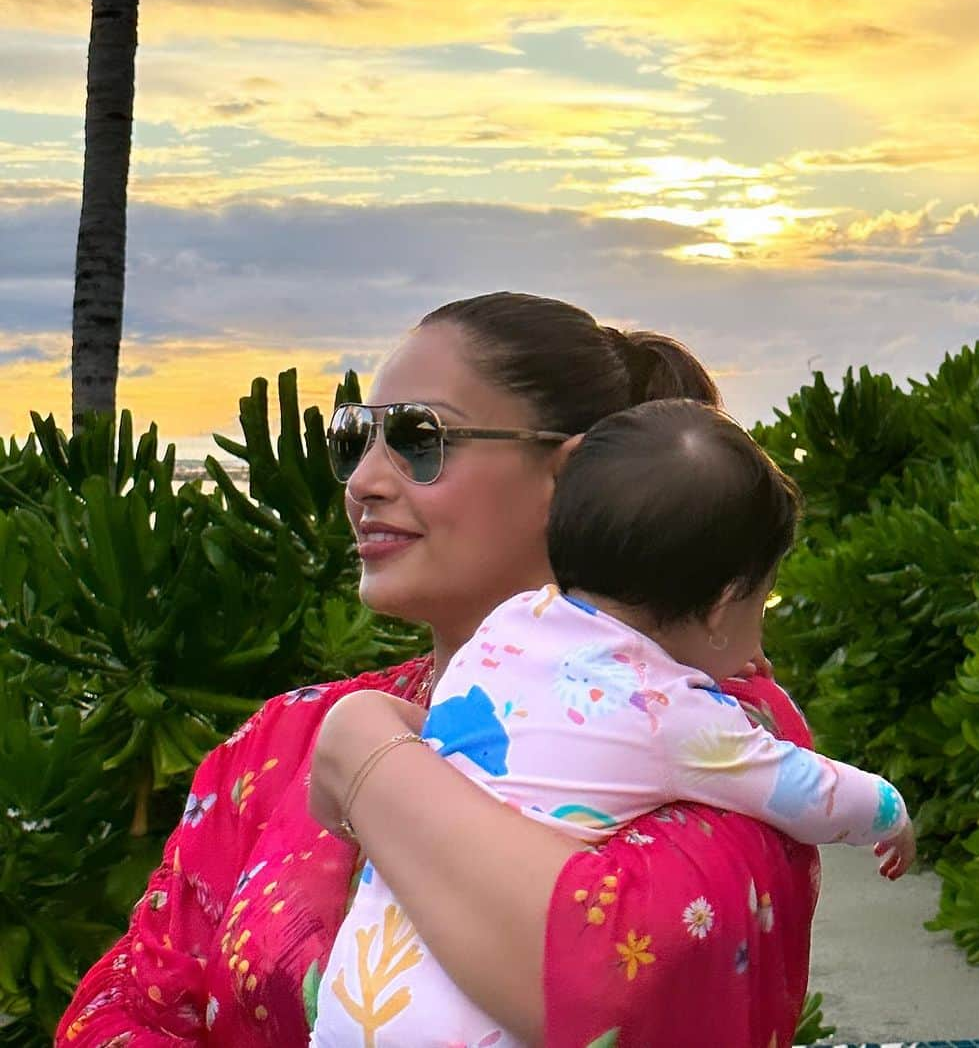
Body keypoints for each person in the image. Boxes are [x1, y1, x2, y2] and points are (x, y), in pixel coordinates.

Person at [56, 293, 821, 1048]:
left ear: (575, 477)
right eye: (357, 439)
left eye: (420, 440)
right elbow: (127, 1007)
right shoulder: (285, 738)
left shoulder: (718, 730)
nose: (364, 483)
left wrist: (370, 761)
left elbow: (605, 995)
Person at [312, 399, 915, 1048]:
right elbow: (805, 789)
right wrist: (887, 813)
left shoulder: (508, 628)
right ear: (720, 607)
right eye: (759, 602)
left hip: (361, 1002)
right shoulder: (669, 711)